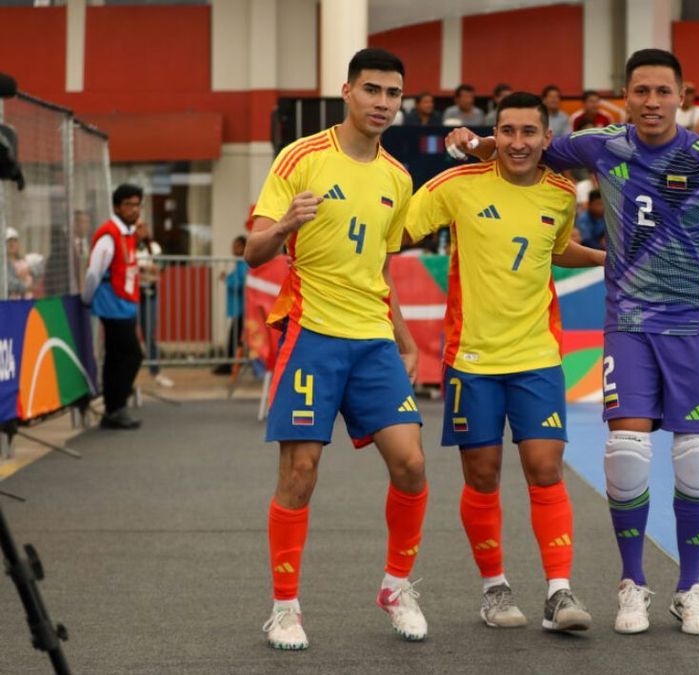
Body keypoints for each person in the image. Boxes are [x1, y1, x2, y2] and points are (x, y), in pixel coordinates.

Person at [446, 48, 699, 637]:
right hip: (630, 323)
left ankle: (690, 589)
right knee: (627, 456)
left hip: (696, 325)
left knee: (695, 459)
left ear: (683, 97)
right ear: (627, 95)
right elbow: (525, 147)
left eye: (664, 92)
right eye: (641, 91)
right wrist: (476, 142)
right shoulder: (600, 144)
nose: (652, 102)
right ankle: (631, 584)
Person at [245, 48, 430, 651]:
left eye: (393, 94)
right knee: (300, 472)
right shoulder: (299, 158)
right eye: (371, 90)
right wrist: (283, 227)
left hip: (373, 340)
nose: (382, 102)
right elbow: (253, 250)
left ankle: (397, 587)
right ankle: (285, 607)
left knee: (412, 464)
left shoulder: (399, 178)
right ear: (345, 91)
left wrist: (404, 337)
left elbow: (377, 264)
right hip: (312, 336)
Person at [408, 91, 605, 633]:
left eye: (529, 132)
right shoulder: (458, 184)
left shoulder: (562, 193)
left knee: (545, 469)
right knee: (484, 476)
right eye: (508, 131)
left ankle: (559, 593)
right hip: (471, 360)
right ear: (494, 133)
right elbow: (398, 231)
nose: (518, 142)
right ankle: (494, 587)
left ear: (547, 138)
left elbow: (553, 247)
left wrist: (605, 258)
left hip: (537, 355)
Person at [82, 184, 145, 430]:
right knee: (132, 355)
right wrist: (87, 300)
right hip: (112, 306)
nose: (134, 209)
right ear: (117, 207)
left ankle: (112, 409)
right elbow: (93, 273)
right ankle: (117, 405)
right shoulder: (108, 235)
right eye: (129, 204)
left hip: (125, 305)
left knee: (115, 357)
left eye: (137, 204)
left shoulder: (128, 233)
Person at [134, 220, 172, 388]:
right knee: (129, 335)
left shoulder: (154, 247)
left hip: (149, 294)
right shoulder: (129, 246)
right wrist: (145, 269)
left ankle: (155, 372)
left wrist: (143, 269)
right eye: (139, 227)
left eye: (145, 226)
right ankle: (130, 375)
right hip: (132, 295)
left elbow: (159, 268)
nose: (143, 230)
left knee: (149, 333)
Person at [214, 235, 249, 375]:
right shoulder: (239, 263)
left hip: (242, 308)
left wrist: (226, 280)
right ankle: (232, 364)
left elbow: (240, 283)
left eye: (237, 246)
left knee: (234, 338)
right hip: (239, 308)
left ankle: (230, 365)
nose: (234, 248)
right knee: (236, 338)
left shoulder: (243, 263)